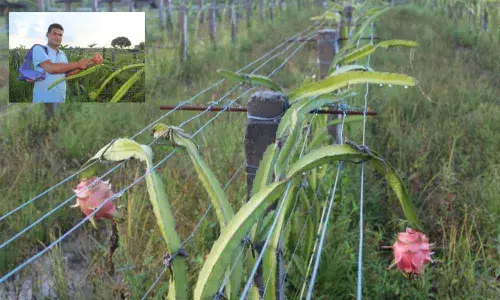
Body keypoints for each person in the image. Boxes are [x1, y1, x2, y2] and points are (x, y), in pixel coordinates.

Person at [28, 23, 101, 103]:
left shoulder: (62, 54)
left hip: (60, 100)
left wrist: (87, 64)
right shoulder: (39, 49)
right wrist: (77, 63)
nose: (58, 37)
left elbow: (67, 74)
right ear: (47, 34)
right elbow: (51, 68)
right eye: (54, 34)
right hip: (42, 100)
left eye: (60, 35)